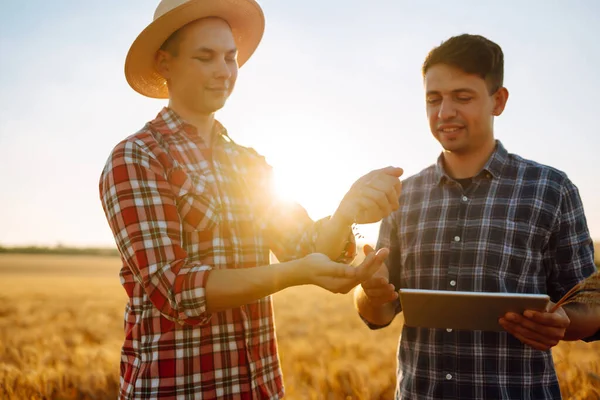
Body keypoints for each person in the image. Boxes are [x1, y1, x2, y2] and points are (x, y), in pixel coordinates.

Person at [99, 0, 403, 398]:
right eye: (205, 57)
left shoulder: (250, 164)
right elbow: (173, 288)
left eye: (230, 57)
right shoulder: (137, 157)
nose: (223, 71)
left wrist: (346, 211)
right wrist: (293, 274)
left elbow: (308, 248)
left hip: (259, 388)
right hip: (175, 388)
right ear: (165, 64)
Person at [354, 33, 600, 400]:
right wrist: (369, 291)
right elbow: (379, 312)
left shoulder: (551, 189)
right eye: (433, 99)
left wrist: (565, 322)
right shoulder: (402, 196)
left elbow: (590, 303)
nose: (444, 112)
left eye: (462, 97)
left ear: (497, 101)